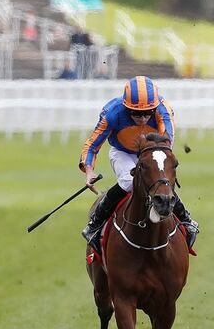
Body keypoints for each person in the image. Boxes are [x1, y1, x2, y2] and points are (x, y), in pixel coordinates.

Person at [79, 76, 199, 250]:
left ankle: (186, 220)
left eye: (147, 113)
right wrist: (89, 171)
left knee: (159, 182)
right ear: (126, 108)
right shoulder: (112, 112)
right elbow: (92, 144)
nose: (142, 118)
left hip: (153, 152)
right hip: (123, 153)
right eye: (135, 113)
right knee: (129, 182)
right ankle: (94, 224)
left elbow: (166, 143)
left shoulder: (163, 110)